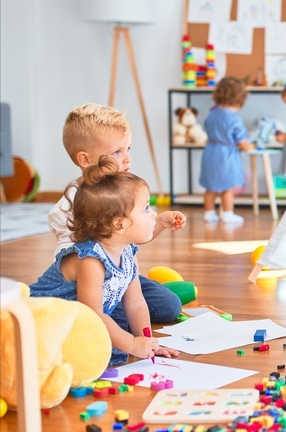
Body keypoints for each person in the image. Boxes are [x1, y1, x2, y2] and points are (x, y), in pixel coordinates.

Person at [32, 156, 180, 365]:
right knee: (95, 356)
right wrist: (131, 344)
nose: (154, 215)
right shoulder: (91, 261)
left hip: (78, 323)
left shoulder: (128, 253)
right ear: (119, 224)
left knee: (108, 346)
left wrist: (148, 342)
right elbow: (93, 315)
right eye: (146, 208)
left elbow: (136, 303)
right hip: (43, 322)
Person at [48, 103, 185, 327]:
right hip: (85, 286)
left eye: (128, 149)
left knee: (169, 306)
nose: (127, 158)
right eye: (117, 152)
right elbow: (71, 264)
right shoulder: (67, 208)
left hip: (118, 279)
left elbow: (132, 237)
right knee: (115, 323)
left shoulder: (126, 192)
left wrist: (159, 222)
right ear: (85, 159)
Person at [199, 76, 254, 224]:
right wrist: (249, 147)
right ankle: (227, 213)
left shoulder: (212, 114)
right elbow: (243, 142)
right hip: (226, 156)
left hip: (210, 152)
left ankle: (209, 213)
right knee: (227, 187)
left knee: (210, 187)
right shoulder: (234, 119)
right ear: (239, 98)